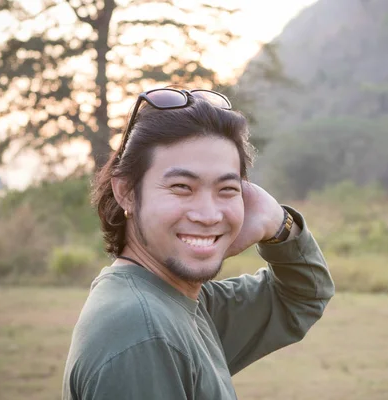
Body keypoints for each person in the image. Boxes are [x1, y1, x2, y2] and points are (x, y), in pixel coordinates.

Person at [62, 87, 334, 399]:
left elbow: (302, 298)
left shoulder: (180, 302)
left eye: (227, 189)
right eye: (181, 186)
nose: (208, 215)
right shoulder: (144, 331)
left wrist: (278, 225)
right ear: (126, 192)